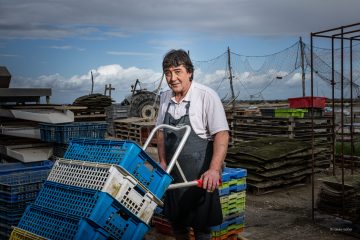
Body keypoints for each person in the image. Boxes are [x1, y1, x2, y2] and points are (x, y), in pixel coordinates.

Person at [156, 49, 230, 240]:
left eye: (178, 71)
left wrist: (214, 169)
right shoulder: (165, 98)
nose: (172, 78)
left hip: (199, 177)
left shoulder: (206, 96)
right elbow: (161, 133)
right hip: (174, 177)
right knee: (177, 225)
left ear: (189, 72)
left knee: (201, 230)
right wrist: (163, 162)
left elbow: (221, 134)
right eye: (168, 73)